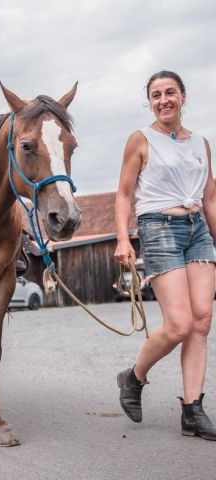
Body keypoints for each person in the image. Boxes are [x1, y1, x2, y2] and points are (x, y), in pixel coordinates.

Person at [114, 70, 216, 440]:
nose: (163, 100)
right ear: (151, 102)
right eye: (156, 95)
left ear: (183, 97)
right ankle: (134, 376)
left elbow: (210, 198)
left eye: (170, 92)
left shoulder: (201, 143)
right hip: (159, 228)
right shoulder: (141, 140)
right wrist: (123, 239)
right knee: (179, 325)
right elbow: (124, 194)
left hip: (197, 229)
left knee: (202, 321)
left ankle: (192, 409)